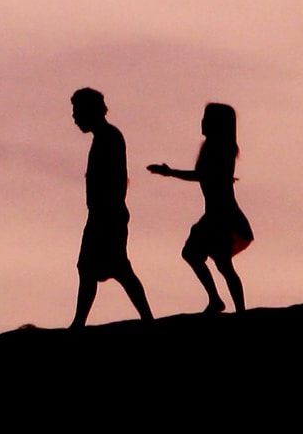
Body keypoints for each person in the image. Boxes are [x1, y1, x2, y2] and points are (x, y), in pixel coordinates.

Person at [144, 102, 252, 313]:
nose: (202, 122)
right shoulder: (212, 147)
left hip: (222, 215)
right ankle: (220, 301)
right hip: (215, 214)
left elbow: (204, 176)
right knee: (201, 257)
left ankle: (237, 308)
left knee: (220, 263)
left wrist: (171, 172)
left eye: (206, 118)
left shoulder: (223, 148)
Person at [69, 89, 156, 327]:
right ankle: (80, 322)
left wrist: (108, 211)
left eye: (78, 111)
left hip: (107, 214)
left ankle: (80, 323)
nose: (75, 117)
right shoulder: (104, 137)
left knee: (113, 267)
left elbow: (117, 179)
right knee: (98, 267)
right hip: (103, 213)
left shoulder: (110, 137)